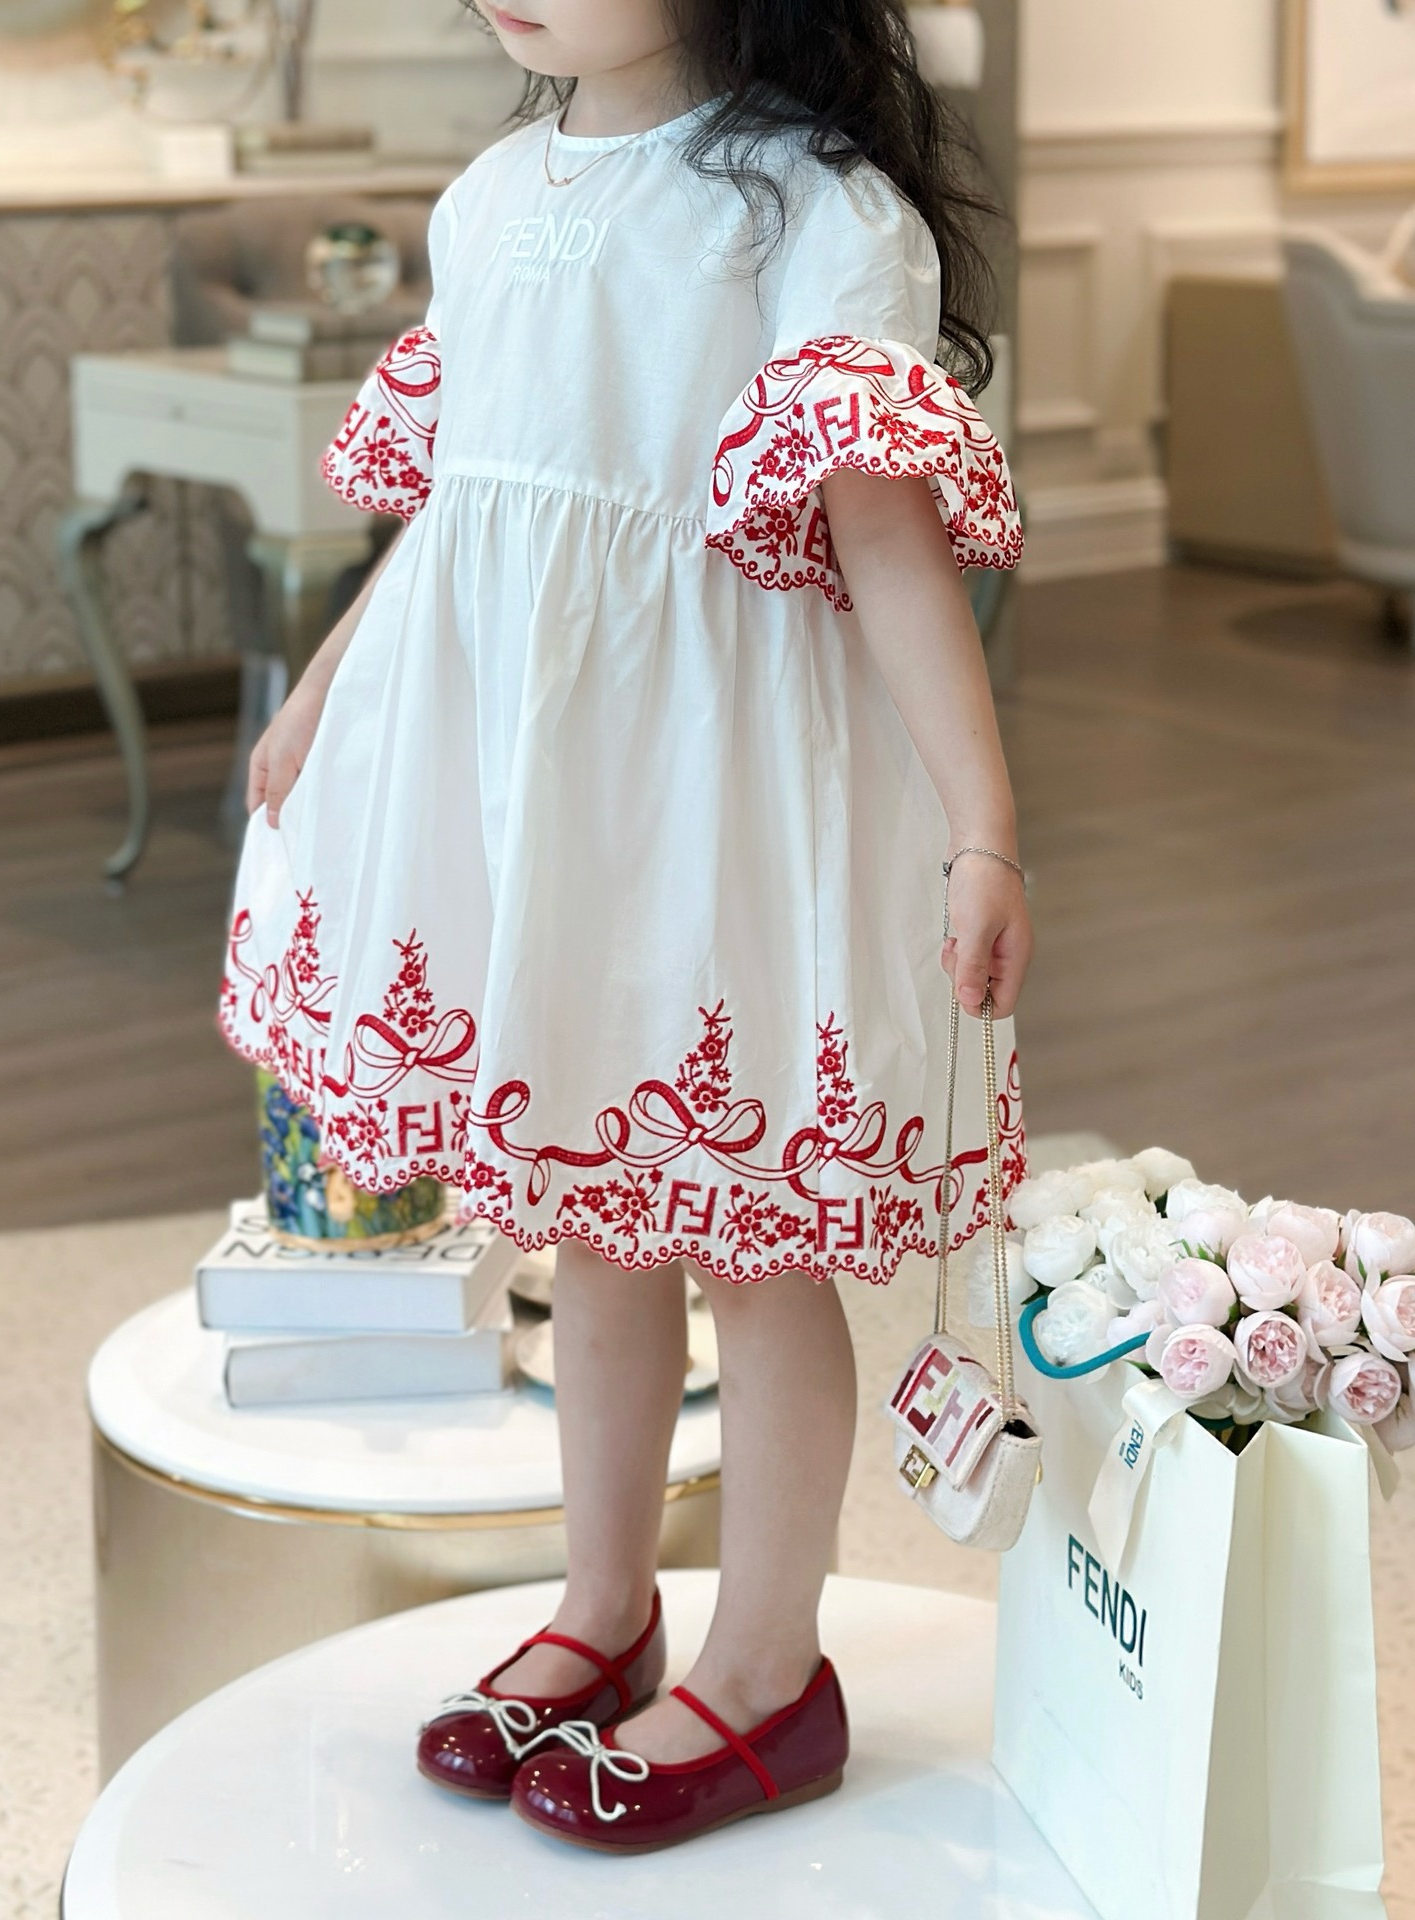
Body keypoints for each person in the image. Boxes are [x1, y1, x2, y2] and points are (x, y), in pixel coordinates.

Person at [219, 0, 1032, 1854]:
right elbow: (454, 513)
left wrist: (984, 823)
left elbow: (886, 538)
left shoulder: (811, 210)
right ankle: (607, 1607)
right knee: (591, 1223)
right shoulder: (493, 197)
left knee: (747, 1241)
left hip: (710, 808)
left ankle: (768, 1668)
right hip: (541, 798)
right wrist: (326, 688)